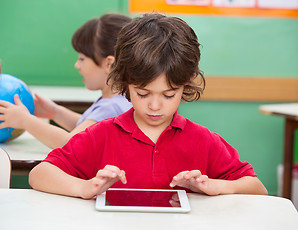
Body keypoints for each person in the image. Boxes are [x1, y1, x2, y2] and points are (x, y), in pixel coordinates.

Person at [29, 13, 268, 199]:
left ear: (185, 86)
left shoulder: (202, 140)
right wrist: (84, 187)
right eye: (142, 93)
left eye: (168, 94)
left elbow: (257, 188)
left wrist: (214, 186)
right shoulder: (101, 135)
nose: (155, 106)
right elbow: (40, 174)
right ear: (125, 84)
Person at [0, 14, 132, 149]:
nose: (76, 65)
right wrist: (56, 112)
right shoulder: (120, 101)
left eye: (82, 59)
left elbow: (71, 144)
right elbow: (88, 128)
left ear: (108, 64)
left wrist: (25, 121)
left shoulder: (111, 108)